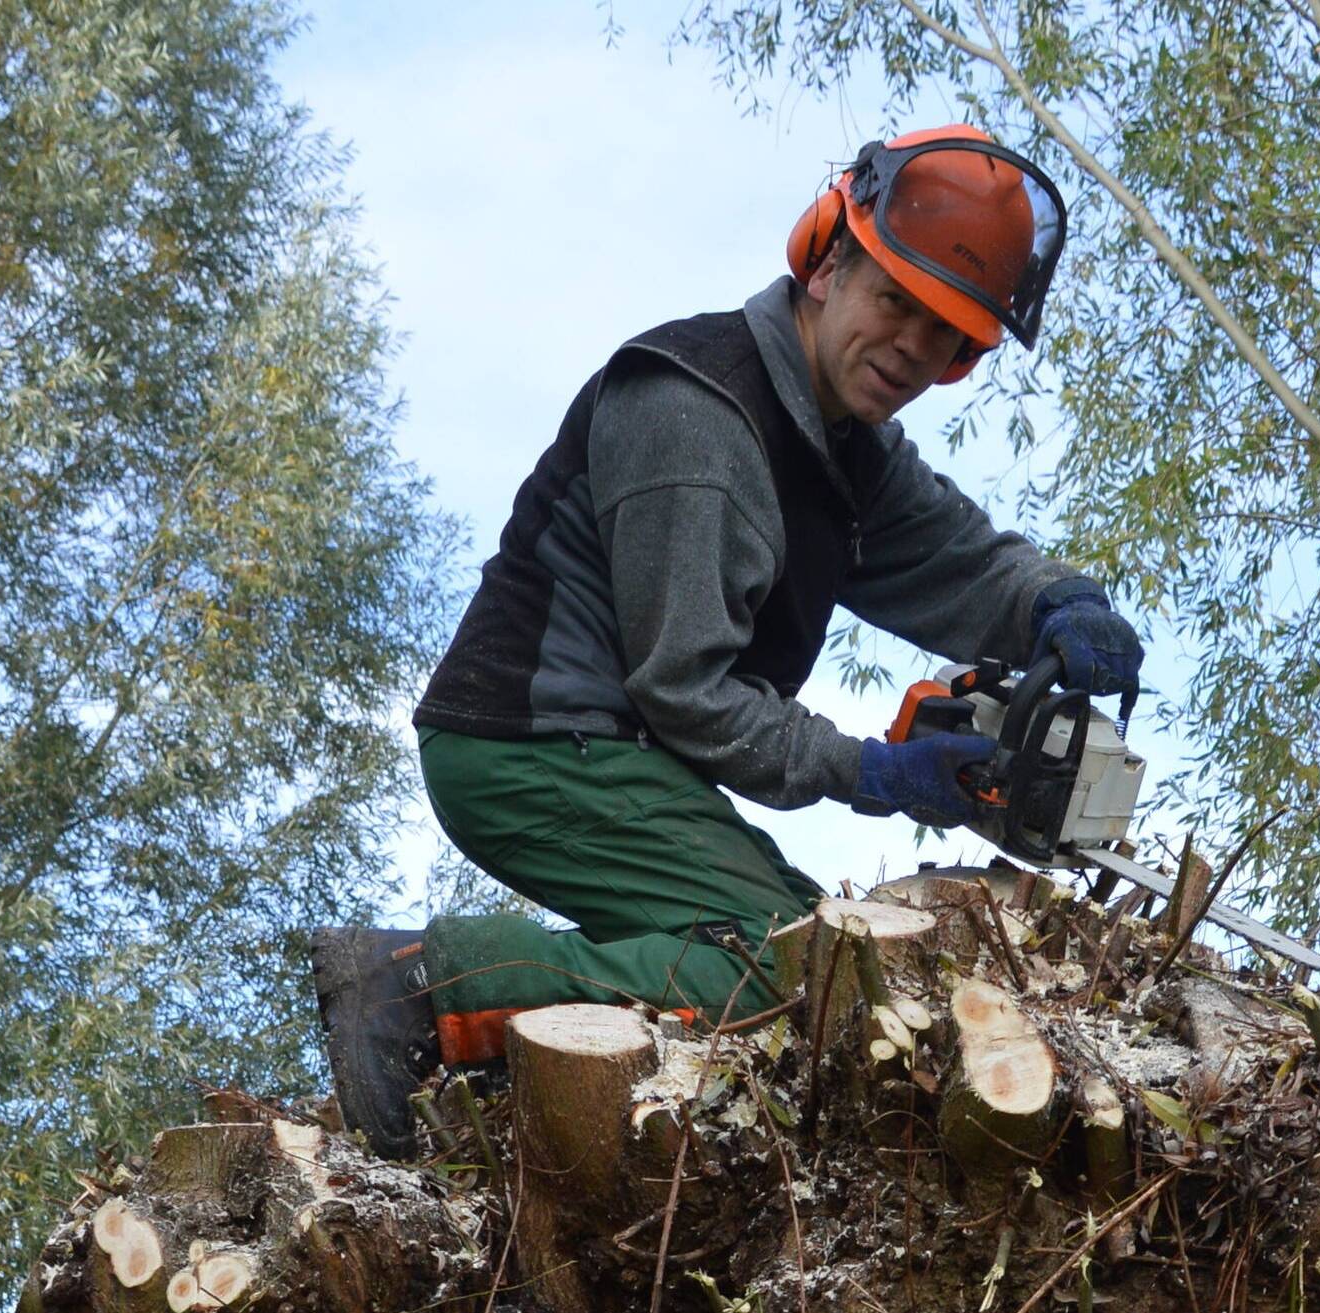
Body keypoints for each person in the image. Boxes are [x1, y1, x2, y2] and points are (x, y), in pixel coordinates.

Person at [313, 124, 1144, 1156]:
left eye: (945, 339)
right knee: (793, 975)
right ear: (829, 258)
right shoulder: (695, 416)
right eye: (896, 304)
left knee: (815, 957)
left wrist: (1060, 604)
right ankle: (423, 988)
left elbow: (964, 561)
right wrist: (875, 770)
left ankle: (497, 1080)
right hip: (531, 742)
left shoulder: (844, 448)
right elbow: (687, 693)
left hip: (618, 753)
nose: (910, 352)